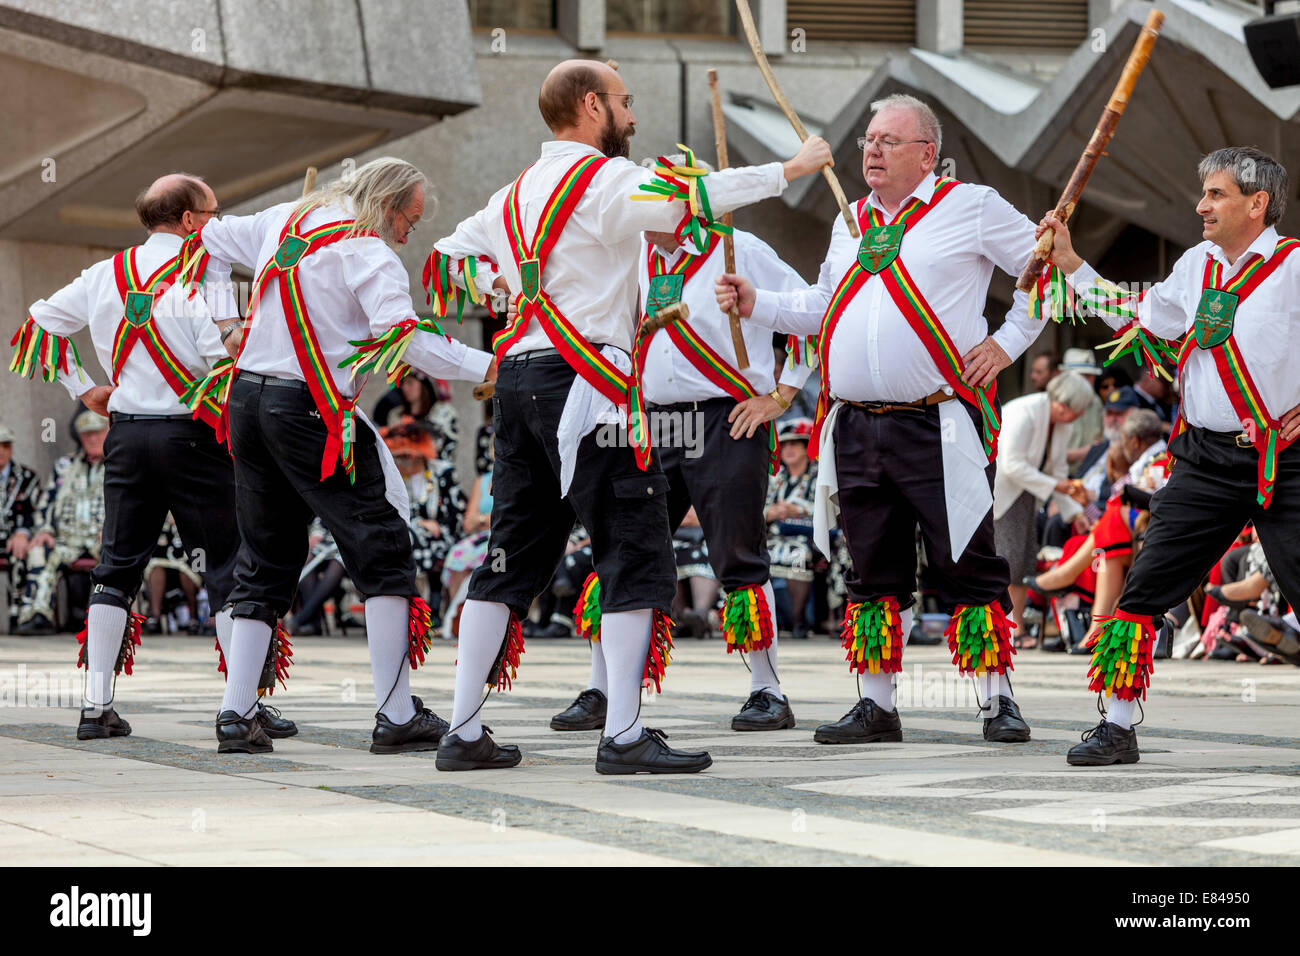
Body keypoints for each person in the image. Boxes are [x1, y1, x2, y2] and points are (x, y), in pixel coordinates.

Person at [426, 58, 832, 773]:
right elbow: (694, 197)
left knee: (510, 553)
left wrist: (503, 288)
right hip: (587, 383)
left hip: (518, 376)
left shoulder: (511, 194)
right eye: (624, 101)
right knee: (636, 547)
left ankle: (461, 731)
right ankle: (621, 735)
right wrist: (790, 169)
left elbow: (441, 260)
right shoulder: (608, 180)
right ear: (591, 106)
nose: (632, 116)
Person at [716, 93, 1053, 745]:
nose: (870, 150)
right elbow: (821, 307)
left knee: (967, 562)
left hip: (939, 421)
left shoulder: (971, 207)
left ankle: (997, 701)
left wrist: (1006, 344)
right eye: (868, 140)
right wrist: (758, 304)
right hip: (855, 425)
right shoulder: (849, 221)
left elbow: (1042, 275)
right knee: (869, 568)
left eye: (888, 141)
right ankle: (877, 705)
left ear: (927, 153)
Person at [187, 157, 495, 754]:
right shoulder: (370, 255)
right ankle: (396, 712)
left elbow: (205, 240)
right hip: (306, 411)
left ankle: (236, 712)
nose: (412, 231)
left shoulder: (288, 217)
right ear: (384, 205)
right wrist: (489, 367)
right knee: (382, 546)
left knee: (265, 555)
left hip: (246, 401)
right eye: (410, 217)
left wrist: (228, 322)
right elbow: (403, 339)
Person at [7, 173, 304, 739]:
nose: (219, 226)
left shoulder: (104, 274)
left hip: (124, 435)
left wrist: (83, 389)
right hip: (193, 437)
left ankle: (96, 707)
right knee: (226, 567)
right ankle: (239, 706)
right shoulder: (205, 283)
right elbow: (229, 360)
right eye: (213, 215)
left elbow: (37, 323)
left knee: (115, 567)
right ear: (191, 221)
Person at [1041, 146, 1300, 765]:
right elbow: (1135, 314)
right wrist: (1072, 263)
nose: (1200, 205)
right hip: (1206, 459)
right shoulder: (1195, 266)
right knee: (1143, 586)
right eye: (1203, 193)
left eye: (1215, 194)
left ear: (1257, 203)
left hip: (1287, 462)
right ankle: (1117, 726)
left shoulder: (1294, 268)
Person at [550, 208, 815, 734]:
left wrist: (782, 395)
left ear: (684, 206)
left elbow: (817, 311)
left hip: (728, 415)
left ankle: (767, 690)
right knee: (624, 550)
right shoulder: (632, 254)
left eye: (650, 205)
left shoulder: (738, 248)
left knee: (736, 550)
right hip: (652, 420)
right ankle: (604, 688)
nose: (637, 215)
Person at [994, 370, 1094, 639]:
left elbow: (1059, 471)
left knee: (1025, 558)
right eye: (1079, 410)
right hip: (1002, 490)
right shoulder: (1024, 413)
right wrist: (1055, 486)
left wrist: (1075, 513)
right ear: (1063, 406)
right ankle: (1008, 627)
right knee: (1009, 558)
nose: (1081, 416)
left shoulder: (1060, 422)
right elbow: (1011, 465)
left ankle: (1016, 626)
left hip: (1026, 491)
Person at [12, 413, 108, 637]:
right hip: (67, 540)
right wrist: (45, 530)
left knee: (117, 556)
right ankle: (38, 615)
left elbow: (133, 503)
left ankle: (107, 620)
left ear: (108, 433)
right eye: (87, 435)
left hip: (104, 539)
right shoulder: (65, 465)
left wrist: (116, 531)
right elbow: (46, 502)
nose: (92, 439)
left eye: (97, 433)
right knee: (39, 550)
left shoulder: (122, 463)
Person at [765, 418, 819, 638]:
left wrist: (800, 510)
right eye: (784, 445)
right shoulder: (774, 477)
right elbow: (757, 506)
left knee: (798, 553)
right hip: (773, 536)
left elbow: (832, 510)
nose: (788, 449)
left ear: (807, 448)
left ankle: (797, 620)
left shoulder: (820, 476)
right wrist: (770, 513)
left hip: (808, 538)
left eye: (795, 444)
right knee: (751, 554)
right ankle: (766, 621)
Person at [0, 425, 40, 634]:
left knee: (20, 550)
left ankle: (17, 613)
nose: (1, 451)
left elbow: (33, 510)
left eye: (5, 445)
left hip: (13, 538)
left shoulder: (26, 478)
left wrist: (22, 533)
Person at [1059, 347, 1104, 465]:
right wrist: (1082, 453)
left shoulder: (1096, 402)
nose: (1088, 381)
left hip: (1088, 475)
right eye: (1082, 376)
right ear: (1065, 376)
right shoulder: (1055, 404)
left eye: (1091, 375)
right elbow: (1045, 453)